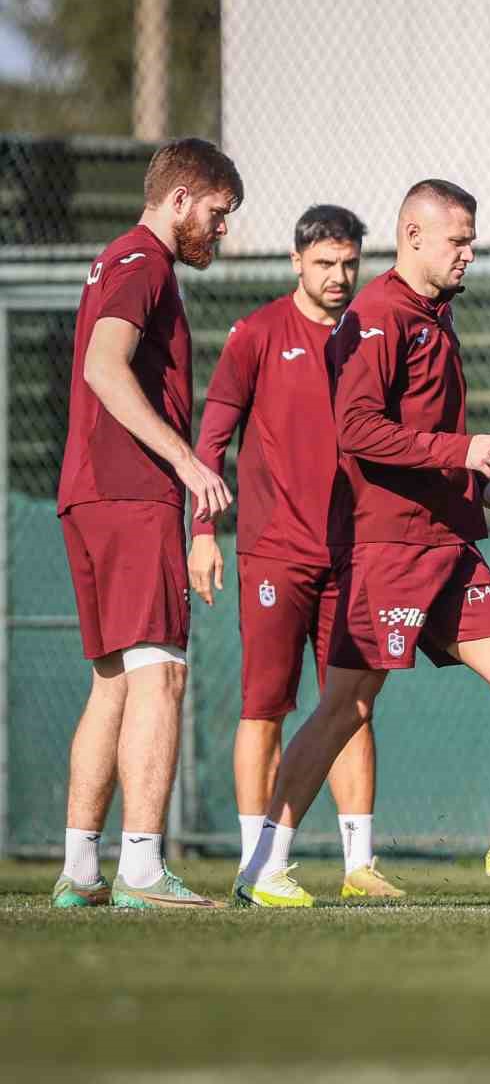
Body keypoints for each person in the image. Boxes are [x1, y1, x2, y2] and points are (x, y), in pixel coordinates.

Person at [236, 180, 490, 911]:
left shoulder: (435, 314)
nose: (469, 253)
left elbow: (417, 435)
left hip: (446, 541)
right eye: (458, 240)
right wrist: (460, 452)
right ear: (414, 236)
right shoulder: (377, 315)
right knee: (345, 708)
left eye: (472, 241)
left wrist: (476, 490)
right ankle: (263, 864)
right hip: (387, 551)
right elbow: (357, 428)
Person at [188, 204, 402, 900]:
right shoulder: (255, 334)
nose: (339, 276)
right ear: (296, 262)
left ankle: (359, 864)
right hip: (275, 553)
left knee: (352, 704)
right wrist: (202, 533)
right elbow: (210, 441)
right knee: (265, 706)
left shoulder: (371, 336)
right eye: (324, 263)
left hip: (356, 552)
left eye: (349, 263)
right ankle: (258, 864)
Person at [53, 138, 242, 909]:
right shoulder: (145, 263)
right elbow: (104, 366)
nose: (222, 229)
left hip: (89, 492)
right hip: (131, 493)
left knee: (114, 682)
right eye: (218, 213)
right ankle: (139, 869)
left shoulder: (117, 259)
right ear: (179, 199)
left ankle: (80, 871)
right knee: (161, 673)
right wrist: (188, 463)